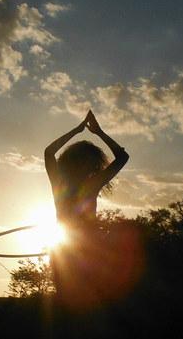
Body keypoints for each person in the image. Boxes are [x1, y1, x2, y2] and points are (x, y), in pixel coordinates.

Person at [44, 109, 129, 311]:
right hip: (70, 252)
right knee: (72, 305)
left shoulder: (81, 184)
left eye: (89, 164)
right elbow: (48, 153)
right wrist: (78, 130)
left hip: (84, 251)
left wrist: (97, 132)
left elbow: (123, 157)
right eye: (83, 162)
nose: (86, 168)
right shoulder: (66, 183)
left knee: (84, 305)